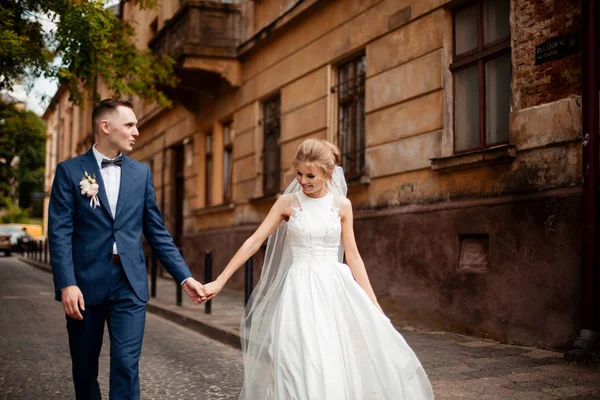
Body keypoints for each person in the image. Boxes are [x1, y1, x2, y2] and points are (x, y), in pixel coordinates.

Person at [202, 138, 434, 399]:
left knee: (332, 361)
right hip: (298, 294)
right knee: (294, 363)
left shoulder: (342, 206)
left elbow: (354, 257)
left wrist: (373, 304)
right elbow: (254, 241)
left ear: (328, 173)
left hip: (334, 292)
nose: (303, 180)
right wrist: (219, 281)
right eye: (299, 173)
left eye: (310, 175)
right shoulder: (287, 203)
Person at [48, 98, 205, 400]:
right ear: (106, 127)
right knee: (84, 368)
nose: (136, 132)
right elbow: (59, 233)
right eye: (130, 125)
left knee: (126, 365)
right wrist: (67, 283)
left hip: (130, 283)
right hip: (84, 284)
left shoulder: (141, 173)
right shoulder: (69, 172)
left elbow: (157, 232)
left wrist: (185, 278)